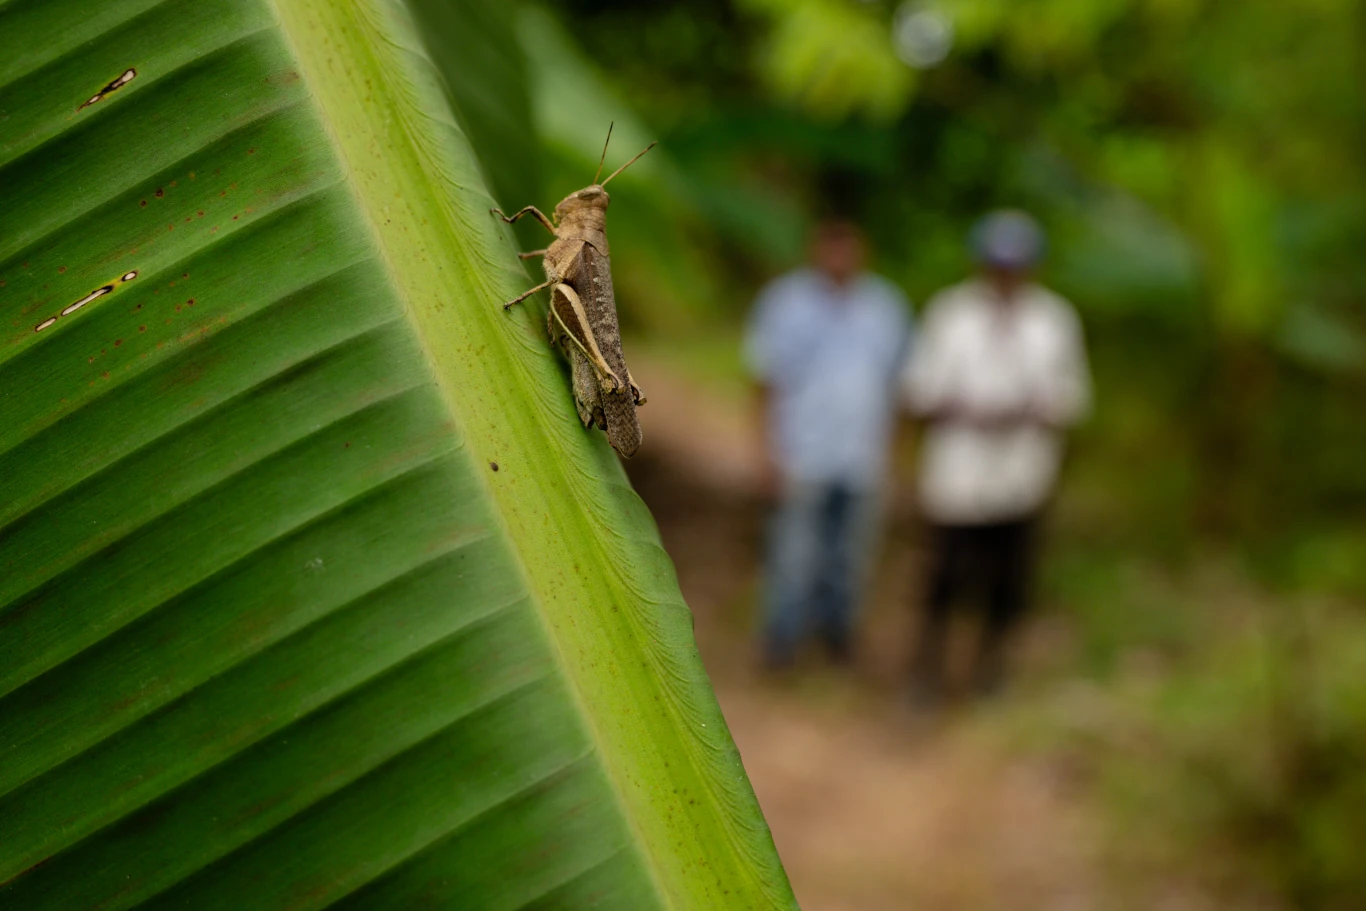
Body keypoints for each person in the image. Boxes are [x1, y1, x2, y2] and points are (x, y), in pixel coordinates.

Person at [903, 210, 1090, 701]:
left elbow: (1072, 396)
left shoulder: (1053, 320)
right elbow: (920, 389)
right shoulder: (951, 314)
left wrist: (1029, 409)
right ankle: (927, 671)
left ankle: (990, 671)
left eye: (1016, 266)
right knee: (945, 574)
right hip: (959, 468)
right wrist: (965, 407)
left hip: (1022, 472)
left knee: (1009, 581)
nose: (1006, 275)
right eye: (997, 265)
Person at [745, 219, 913, 667]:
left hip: (862, 456)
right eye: (831, 246)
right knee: (794, 555)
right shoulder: (785, 304)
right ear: (817, 249)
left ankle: (839, 640)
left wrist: (894, 459)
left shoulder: (885, 307)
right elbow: (765, 382)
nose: (840, 257)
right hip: (802, 452)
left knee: (851, 558)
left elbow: (898, 388)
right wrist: (765, 454)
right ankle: (781, 643)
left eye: (848, 247)